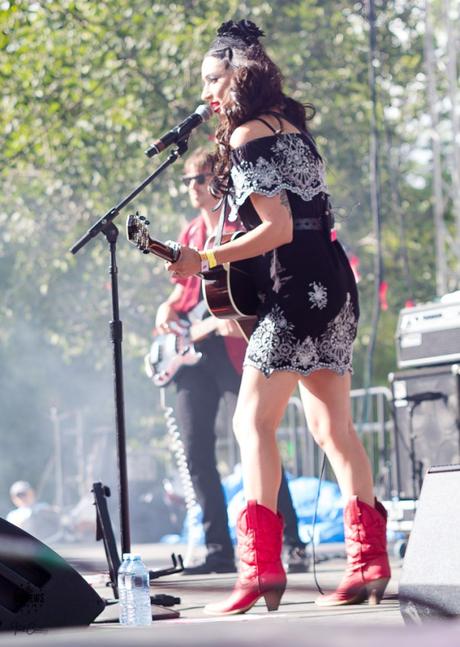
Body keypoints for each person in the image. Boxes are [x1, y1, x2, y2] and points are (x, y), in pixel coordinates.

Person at [164, 19, 391, 614]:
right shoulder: (293, 128)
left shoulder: (245, 137)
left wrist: (204, 257)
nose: (208, 93)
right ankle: (368, 564)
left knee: (251, 424)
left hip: (296, 291)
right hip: (333, 284)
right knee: (333, 430)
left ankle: (260, 569)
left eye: (214, 79)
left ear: (239, 76)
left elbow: (278, 228)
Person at [154, 146, 309, 575]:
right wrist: (166, 308)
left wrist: (231, 316)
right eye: (188, 181)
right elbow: (184, 292)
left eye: (200, 180)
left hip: (237, 349)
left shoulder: (242, 226)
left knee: (256, 439)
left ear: (220, 181)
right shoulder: (189, 232)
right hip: (192, 357)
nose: (193, 189)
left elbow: (256, 287)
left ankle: (291, 542)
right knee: (195, 450)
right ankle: (218, 548)